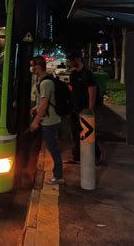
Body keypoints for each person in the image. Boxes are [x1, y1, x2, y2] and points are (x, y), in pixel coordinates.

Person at [30, 55, 65, 185]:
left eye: (32, 66)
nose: (31, 68)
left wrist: (35, 121)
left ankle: (58, 176)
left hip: (50, 121)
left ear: (38, 67)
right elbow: (43, 102)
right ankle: (58, 174)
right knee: (52, 147)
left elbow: (44, 105)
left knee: (53, 148)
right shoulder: (43, 81)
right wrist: (35, 107)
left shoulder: (46, 83)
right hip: (49, 119)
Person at [67, 52, 102, 164]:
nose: (70, 62)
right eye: (69, 60)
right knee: (76, 133)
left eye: (72, 59)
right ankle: (77, 156)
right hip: (75, 109)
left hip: (85, 109)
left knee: (88, 133)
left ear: (78, 59)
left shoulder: (87, 74)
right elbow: (72, 90)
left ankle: (95, 156)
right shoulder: (73, 75)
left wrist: (90, 109)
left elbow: (92, 92)